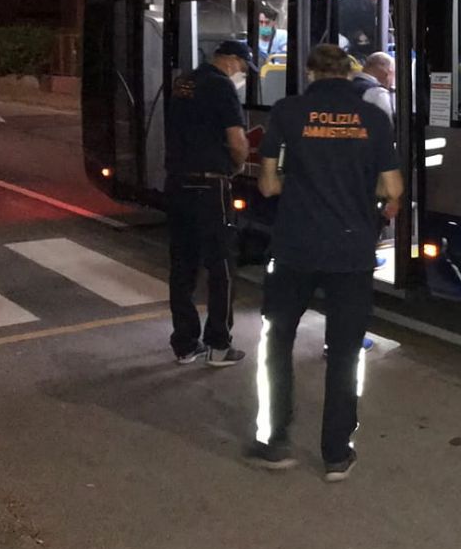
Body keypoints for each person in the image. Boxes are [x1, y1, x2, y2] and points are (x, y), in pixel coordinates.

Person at [249, 44, 403, 481]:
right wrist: (377, 202)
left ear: (311, 73)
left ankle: (275, 440)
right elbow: (392, 188)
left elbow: (266, 186)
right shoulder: (373, 118)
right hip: (351, 253)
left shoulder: (287, 112)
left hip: (295, 247)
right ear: (349, 74)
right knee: (346, 352)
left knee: (277, 342)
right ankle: (337, 453)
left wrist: (292, 185)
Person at [165, 40, 252, 366]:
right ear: (230, 60)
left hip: (177, 183)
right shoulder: (221, 86)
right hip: (210, 185)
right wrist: (239, 164)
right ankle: (218, 345)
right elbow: (236, 140)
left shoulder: (184, 82)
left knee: (183, 264)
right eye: (242, 67)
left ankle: (185, 343)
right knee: (221, 265)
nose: (241, 74)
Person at [353, 50, 395, 123]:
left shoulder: (347, 87)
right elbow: (386, 126)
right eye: (392, 73)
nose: (392, 81)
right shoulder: (378, 93)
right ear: (386, 71)